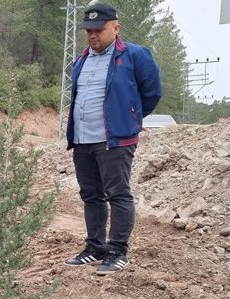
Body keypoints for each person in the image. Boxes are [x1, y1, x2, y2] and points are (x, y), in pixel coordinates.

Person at [64, 3, 162, 275]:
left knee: (117, 194)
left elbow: (152, 93)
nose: (92, 35)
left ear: (116, 28)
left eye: (99, 29)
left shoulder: (135, 56)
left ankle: (117, 250)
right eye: (88, 30)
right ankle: (94, 247)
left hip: (115, 139)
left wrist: (130, 117)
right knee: (91, 195)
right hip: (83, 140)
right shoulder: (81, 60)